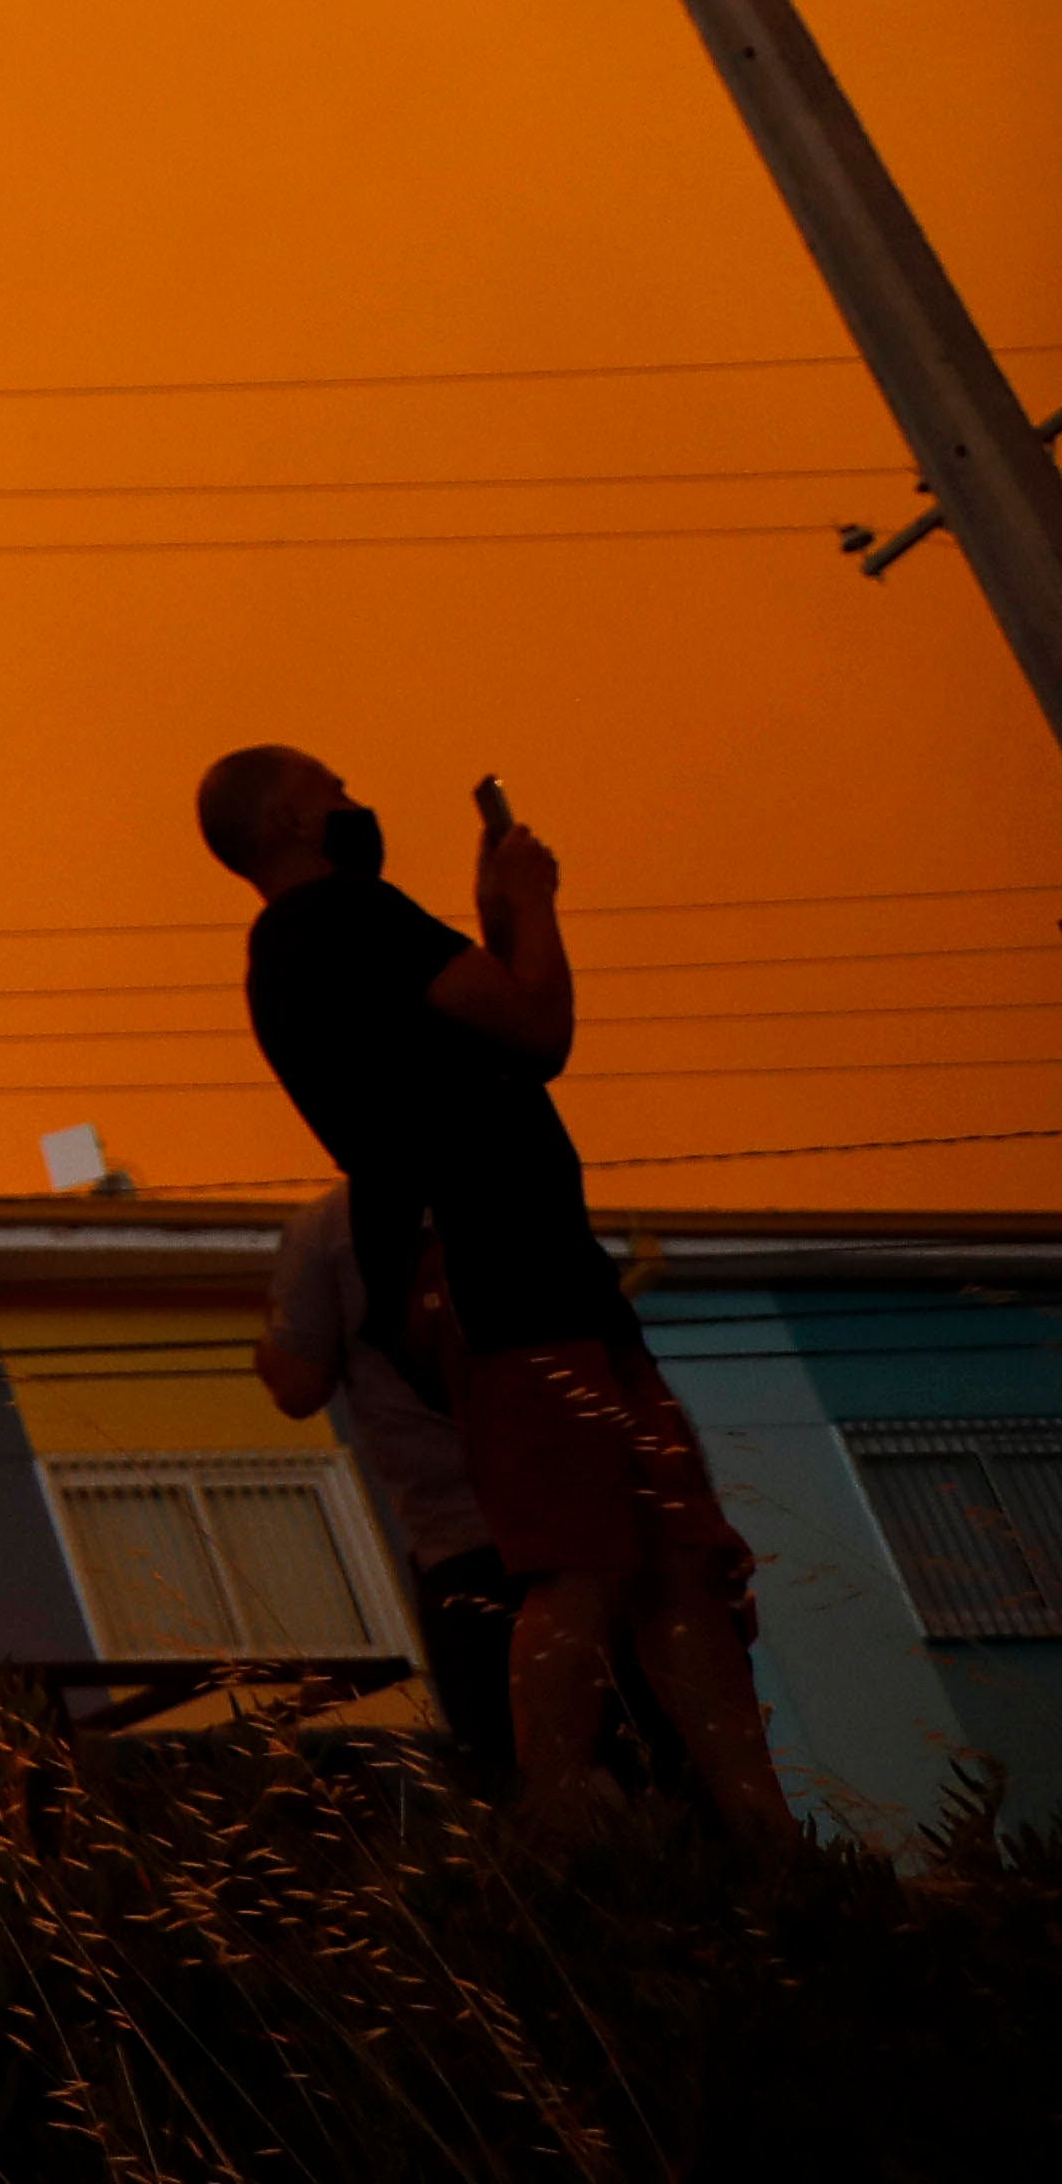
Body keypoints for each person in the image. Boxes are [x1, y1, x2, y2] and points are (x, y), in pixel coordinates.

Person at [203, 747, 787, 1834]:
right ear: (290, 814)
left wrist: (491, 922)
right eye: (336, 786)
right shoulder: (346, 915)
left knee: (671, 1559)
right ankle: (559, 1815)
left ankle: (758, 1830)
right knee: (583, 1559)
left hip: (538, 1265)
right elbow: (537, 1029)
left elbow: (486, 1030)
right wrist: (530, 903)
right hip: (501, 1265)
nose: (352, 800)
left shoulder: (298, 951)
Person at [251, 1185, 518, 1775]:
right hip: (590, 1526)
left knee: (513, 1771)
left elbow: (297, 1387)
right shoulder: (517, 1190)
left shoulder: (331, 1227)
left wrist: (271, 1349)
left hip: (462, 1540)